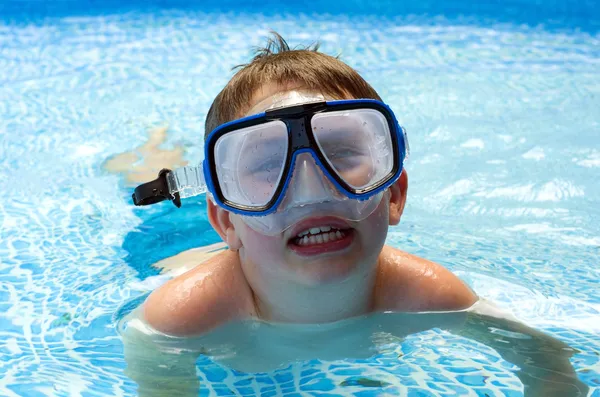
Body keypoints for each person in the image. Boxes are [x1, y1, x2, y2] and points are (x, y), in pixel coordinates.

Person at [123, 33, 588, 396]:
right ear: (226, 221)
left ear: (395, 195)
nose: (312, 189)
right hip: (171, 255)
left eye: (342, 152)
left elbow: (548, 363)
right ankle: (151, 148)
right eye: (266, 165)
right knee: (155, 204)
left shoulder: (429, 293)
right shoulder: (181, 316)